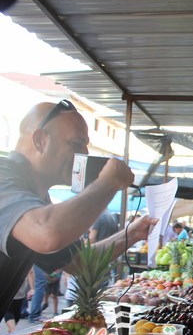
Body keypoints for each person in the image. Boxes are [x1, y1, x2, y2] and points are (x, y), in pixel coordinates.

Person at [0, 99, 157, 320]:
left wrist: (133, 233)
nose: (84, 153)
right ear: (40, 140)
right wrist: (108, 182)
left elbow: (79, 262)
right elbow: (46, 233)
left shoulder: (37, 200)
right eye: (76, 144)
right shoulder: (4, 177)